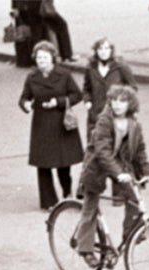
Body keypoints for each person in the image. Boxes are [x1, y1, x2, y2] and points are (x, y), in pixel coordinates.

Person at [82, 83, 149, 262]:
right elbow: (102, 151)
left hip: (118, 163)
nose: (118, 105)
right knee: (91, 205)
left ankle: (130, 234)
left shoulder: (133, 123)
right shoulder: (104, 121)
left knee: (134, 197)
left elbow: (140, 149)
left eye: (123, 101)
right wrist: (118, 173)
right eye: (114, 100)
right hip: (97, 164)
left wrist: (146, 171)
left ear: (130, 104)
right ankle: (86, 249)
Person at [21, 42, 85, 210]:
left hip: (61, 123)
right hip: (41, 124)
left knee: (63, 163)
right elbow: (24, 97)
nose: (41, 60)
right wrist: (25, 104)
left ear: (52, 58)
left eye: (45, 57)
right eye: (39, 57)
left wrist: (58, 102)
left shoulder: (64, 75)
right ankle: (48, 201)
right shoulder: (32, 77)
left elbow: (77, 95)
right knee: (43, 164)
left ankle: (66, 192)